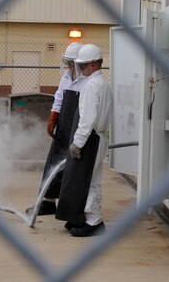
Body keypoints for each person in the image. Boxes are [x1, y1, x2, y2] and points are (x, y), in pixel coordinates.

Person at [55, 44, 112, 237]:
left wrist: (77, 143)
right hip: (98, 138)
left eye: (84, 65)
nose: (80, 69)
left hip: (90, 141)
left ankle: (91, 221)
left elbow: (87, 119)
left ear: (95, 64)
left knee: (84, 181)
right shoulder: (102, 84)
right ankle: (90, 219)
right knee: (92, 181)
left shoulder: (91, 86)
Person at [26, 42, 84, 216]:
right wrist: (53, 115)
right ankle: (47, 201)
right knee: (54, 161)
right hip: (64, 125)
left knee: (74, 167)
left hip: (80, 126)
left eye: (72, 63)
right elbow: (59, 96)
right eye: (67, 62)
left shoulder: (89, 82)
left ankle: (71, 205)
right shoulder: (66, 77)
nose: (68, 66)